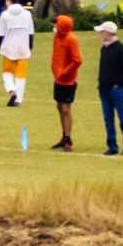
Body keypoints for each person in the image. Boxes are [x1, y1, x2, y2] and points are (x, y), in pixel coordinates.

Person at [95, 21, 123, 155]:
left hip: (117, 89)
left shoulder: (121, 49)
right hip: (104, 89)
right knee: (108, 118)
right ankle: (112, 146)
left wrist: (119, 84)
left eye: (102, 32)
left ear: (108, 32)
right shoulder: (104, 48)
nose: (100, 34)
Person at [48, 14, 82, 151]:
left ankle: (68, 138)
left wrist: (65, 72)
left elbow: (77, 60)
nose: (54, 26)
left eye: (56, 24)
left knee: (66, 108)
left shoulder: (71, 40)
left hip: (68, 80)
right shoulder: (57, 38)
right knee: (59, 106)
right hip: (58, 79)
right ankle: (64, 135)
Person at [0, 0, 35, 107]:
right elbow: (31, 32)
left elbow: (1, 33)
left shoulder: (4, 15)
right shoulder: (27, 14)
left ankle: (12, 90)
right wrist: (30, 46)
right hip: (23, 45)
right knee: (21, 74)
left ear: (9, 1)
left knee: (7, 72)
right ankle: (19, 99)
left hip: (9, 46)